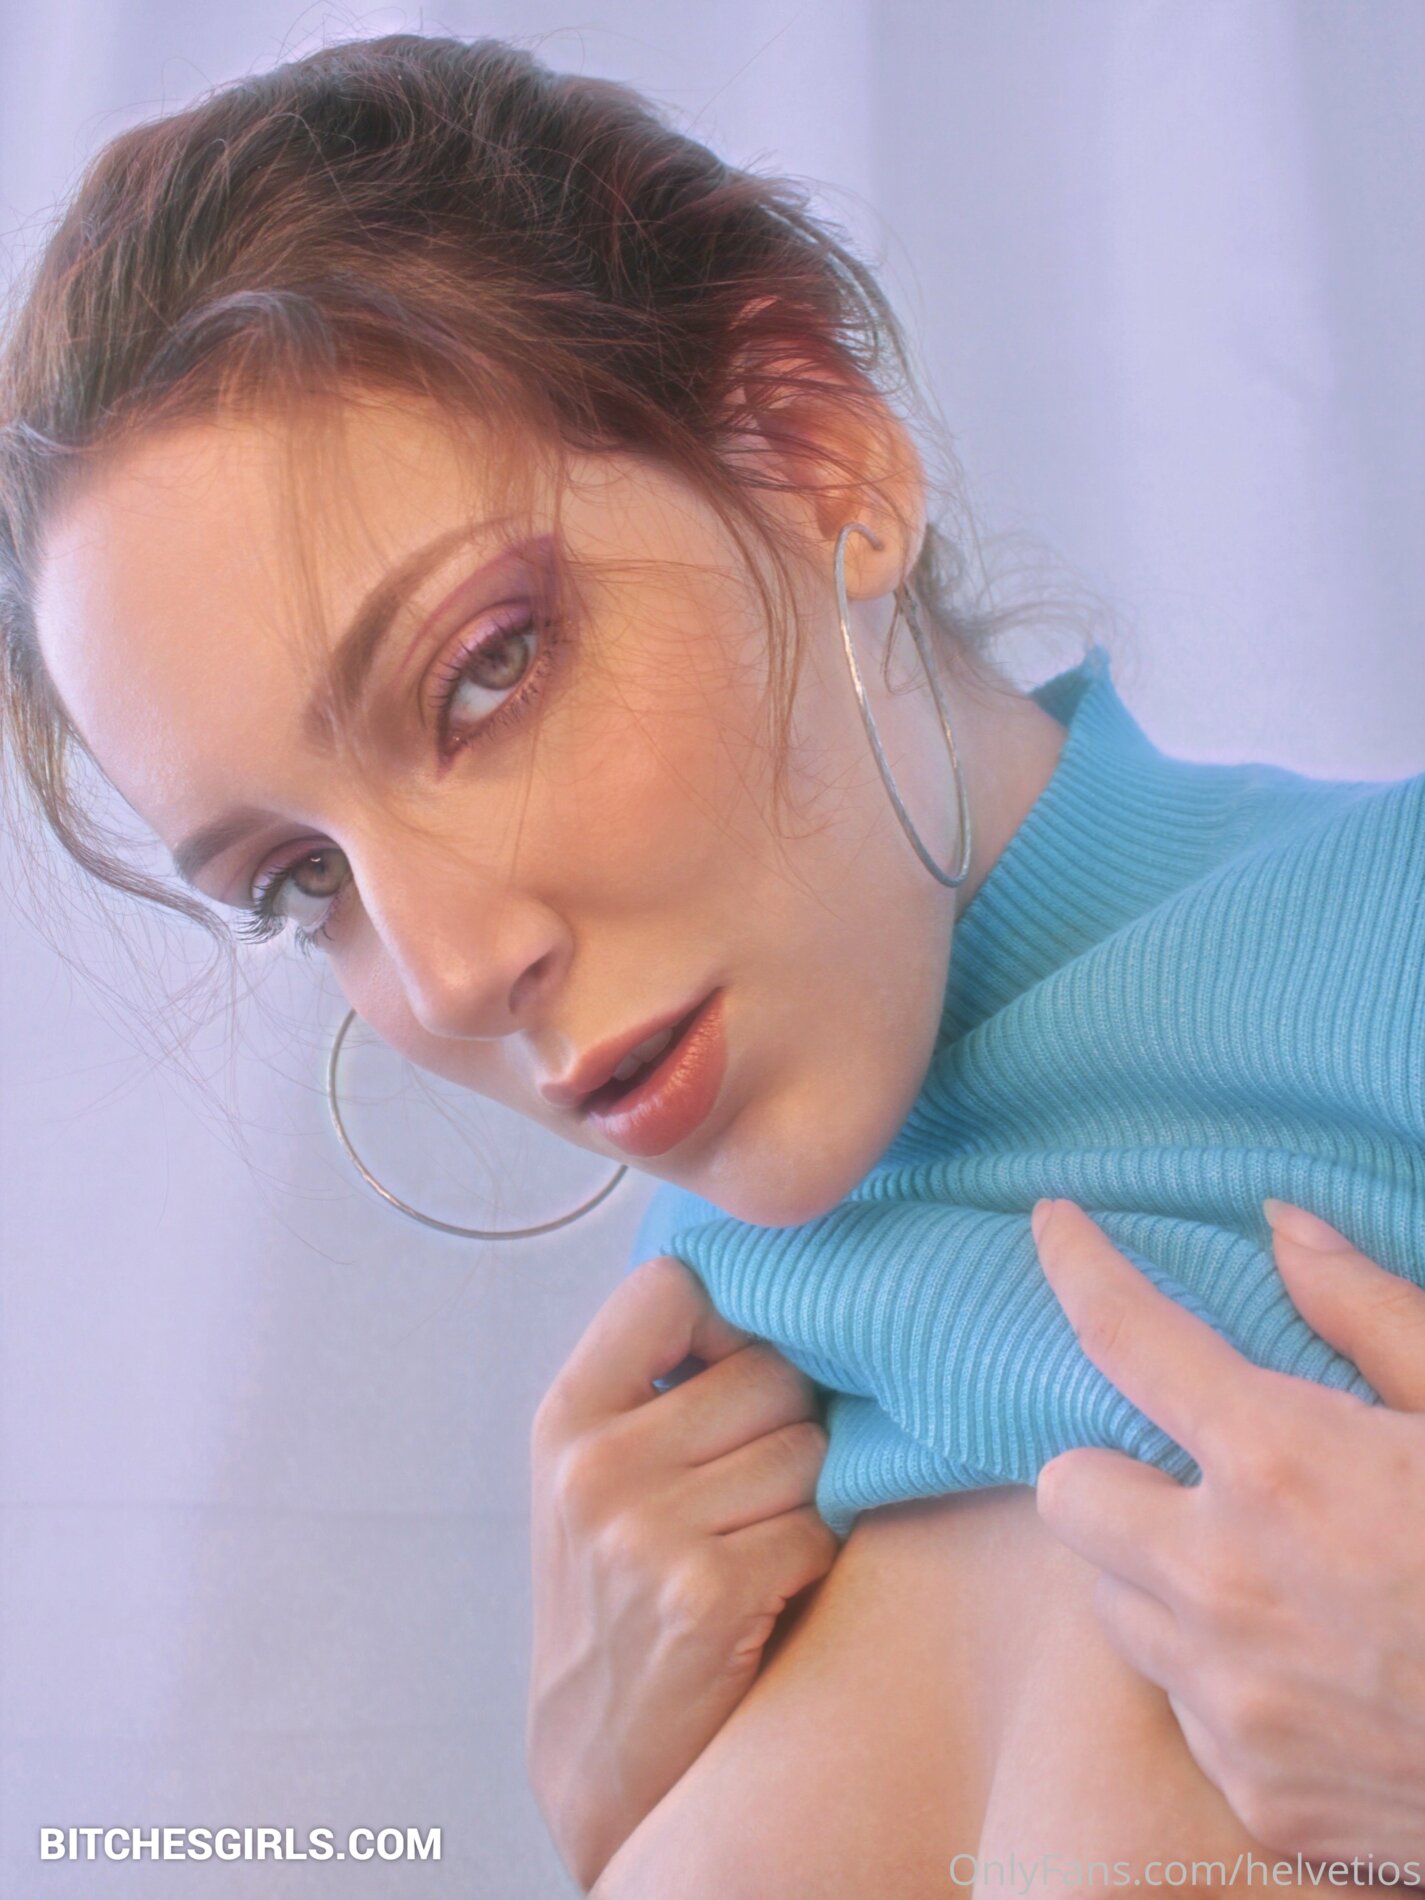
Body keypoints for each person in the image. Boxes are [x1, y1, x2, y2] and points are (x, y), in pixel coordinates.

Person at [1, 32, 1421, 1898]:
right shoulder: (681, 1449)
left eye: (483, 672)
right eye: (298, 881)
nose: (445, 972)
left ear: (815, 449)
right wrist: (596, 1817)